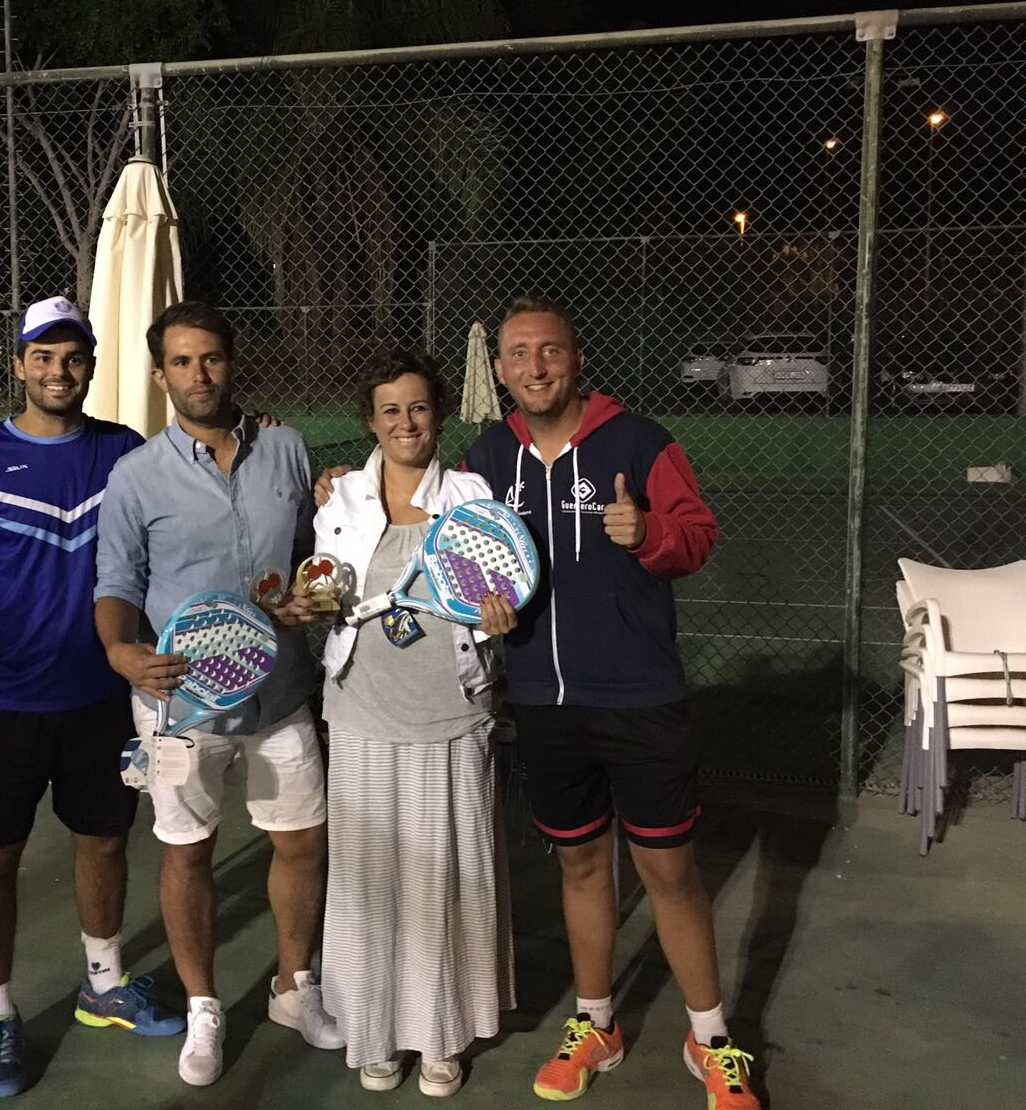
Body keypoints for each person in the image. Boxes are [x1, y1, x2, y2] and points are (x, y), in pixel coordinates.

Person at [460, 294, 758, 1107]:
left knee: (670, 870)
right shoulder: (487, 458)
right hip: (542, 701)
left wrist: (649, 534)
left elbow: (698, 533)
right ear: (500, 370)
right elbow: (447, 539)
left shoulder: (640, 442)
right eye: (518, 354)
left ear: (578, 360)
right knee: (581, 863)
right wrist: (338, 488)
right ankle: (597, 1025)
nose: (535, 367)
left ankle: (711, 1039)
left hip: (638, 699)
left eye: (550, 351)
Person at [0, 296, 183, 1100]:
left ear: (90, 366)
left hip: (101, 701)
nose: (60, 371)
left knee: (104, 841)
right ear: (20, 364)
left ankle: (103, 983)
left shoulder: (123, 452)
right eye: (44, 357)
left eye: (74, 358)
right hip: (2, 706)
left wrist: (251, 433)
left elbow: (185, 497)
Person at [93, 300, 342, 1088]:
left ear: (232, 362)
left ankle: (292, 988)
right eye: (181, 361)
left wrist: (314, 582)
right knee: (187, 851)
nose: (198, 374)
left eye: (210, 358)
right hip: (181, 703)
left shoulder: (288, 448)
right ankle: (205, 1006)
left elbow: (313, 551)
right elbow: (116, 580)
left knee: (301, 841)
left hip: (280, 694)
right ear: (160, 374)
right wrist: (120, 650)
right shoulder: (135, 476)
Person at [315, 349, 517, 1098]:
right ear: (370, 421)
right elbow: (323, 592)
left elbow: (500, 594)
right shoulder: (337, 500)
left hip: (453, 714)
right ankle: (373, 1033)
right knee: (368, 880)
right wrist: (306, 605)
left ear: (440, 415)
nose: (406, 423)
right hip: (361, 712)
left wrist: (500, 617)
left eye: (420, 407)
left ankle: (439, 1035)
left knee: (445, 880)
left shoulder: (472, 495)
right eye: (390, 410)